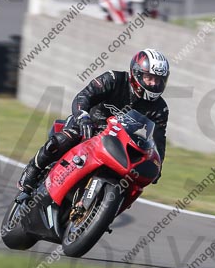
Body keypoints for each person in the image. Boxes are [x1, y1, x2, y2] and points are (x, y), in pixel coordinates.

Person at [17, 48, 170, 192]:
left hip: (119, 141)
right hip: (89, 125)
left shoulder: (160, 108)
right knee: (64, 139)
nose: (153, 84)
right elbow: (83, 97)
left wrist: (158, 165)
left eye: (158, 80)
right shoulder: (113, 79)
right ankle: (32, 169)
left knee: (132, 178)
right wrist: (83, 117)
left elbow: (158, 140)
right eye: (149, 78)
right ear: (136, 73)